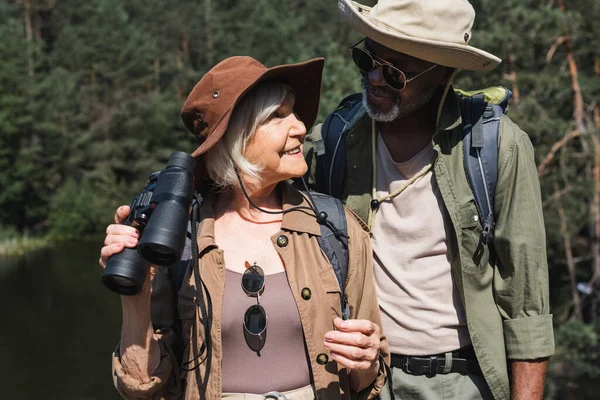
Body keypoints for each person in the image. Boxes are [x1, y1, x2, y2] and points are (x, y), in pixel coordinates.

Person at [302, 1, 554, 399]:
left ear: (444, 75)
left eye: (396, 72)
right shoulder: (334, 141)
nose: (374, 77)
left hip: (461, 382)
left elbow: (526, 306)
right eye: (366, 57)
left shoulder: (496, 146)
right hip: (361, 380)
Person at [99, 56, 389, 399]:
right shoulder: (179, 238)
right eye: (277, 116)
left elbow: (369, 380)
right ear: (236, 138)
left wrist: (366, 359)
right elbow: (142, 386)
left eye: (293, 113)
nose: (300, 127)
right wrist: (135, 294)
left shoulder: (336, 228)